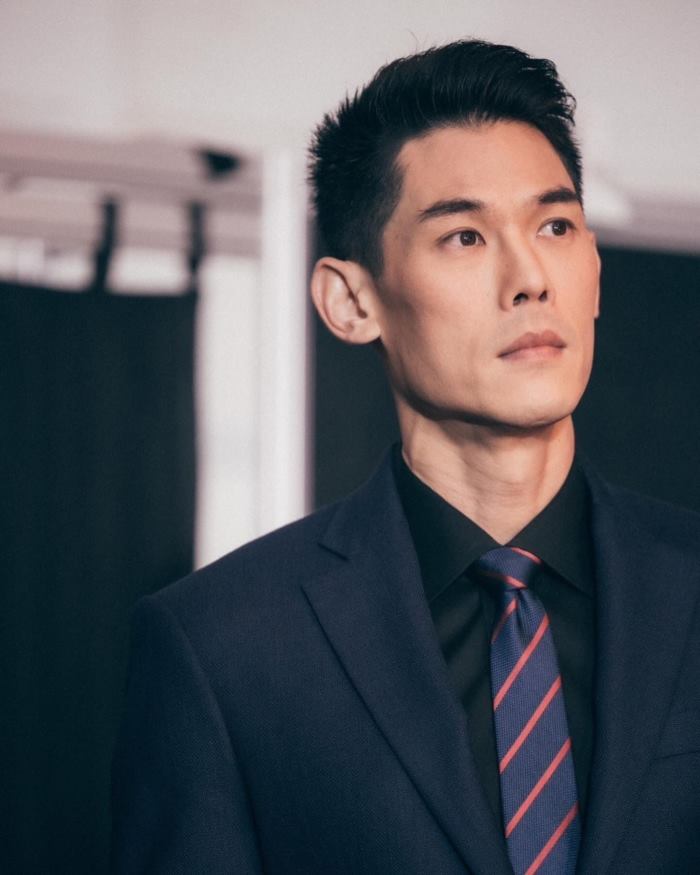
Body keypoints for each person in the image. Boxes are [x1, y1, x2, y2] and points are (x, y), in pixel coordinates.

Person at [111, 40, 700, 874]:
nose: (531, 277)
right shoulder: (223, 648)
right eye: (464, 237)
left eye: (555, 225)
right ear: (351, 301)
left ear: (595, 271)